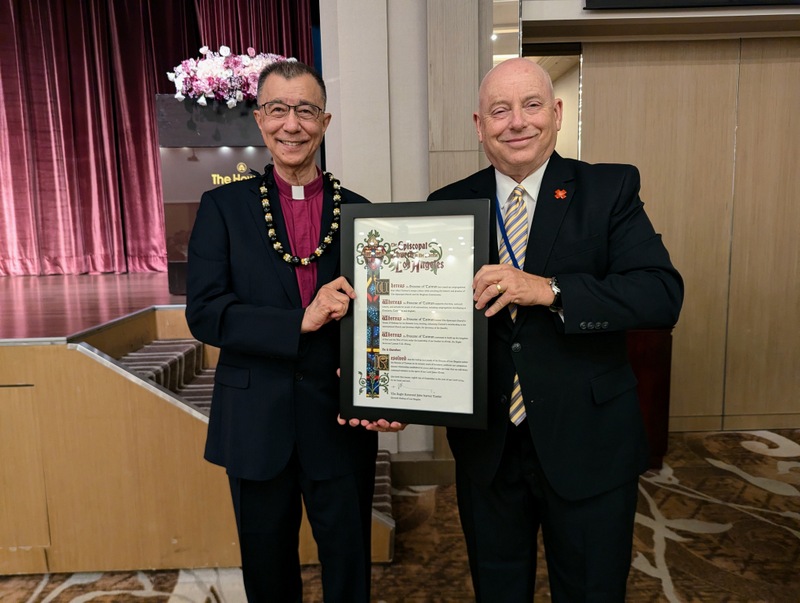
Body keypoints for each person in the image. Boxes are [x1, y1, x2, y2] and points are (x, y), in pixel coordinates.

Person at [427, 58, 684, 601]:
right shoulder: (446, 205)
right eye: (500, 110)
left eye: (532, 105)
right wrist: (385, 377)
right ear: (479, 125)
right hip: (489, 449)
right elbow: (430, 318)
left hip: (589, 441)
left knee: (591, 590)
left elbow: (661, 294)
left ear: (557, 113)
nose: (517, 122)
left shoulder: (608, 189)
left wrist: (550, 289)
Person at [185, 60, 399, 603]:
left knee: (349, 570)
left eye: (305, 110)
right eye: (277, 109)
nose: (291, 124)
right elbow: (205, 313)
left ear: (324, 122)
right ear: (260, 119)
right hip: (255, 423)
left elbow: (381, 321)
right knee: (267, 573)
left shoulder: (363, 215)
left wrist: (389, 390)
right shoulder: (223, 208)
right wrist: (297, 321)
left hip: (339, 423)